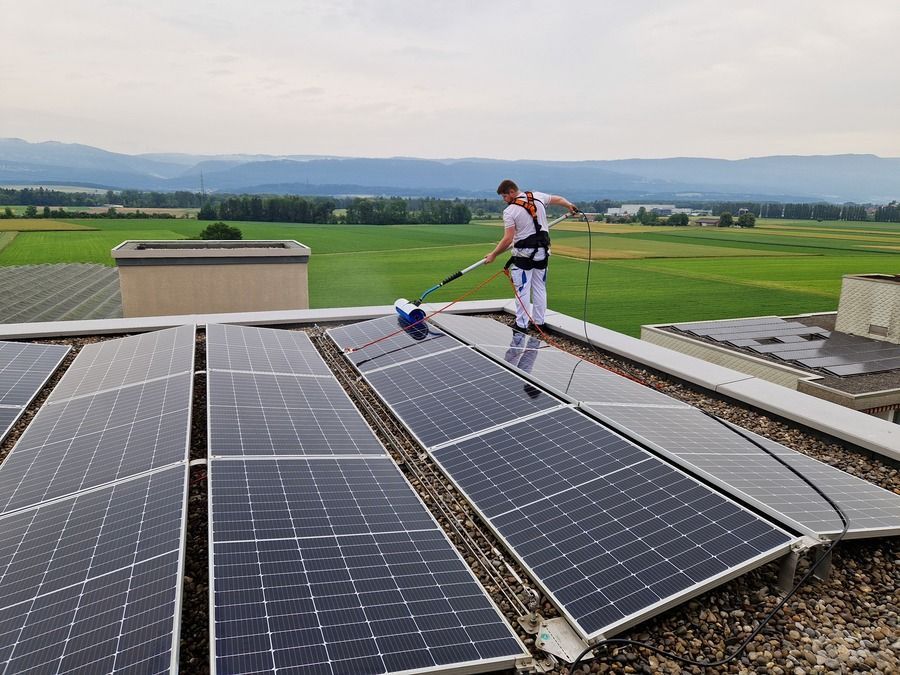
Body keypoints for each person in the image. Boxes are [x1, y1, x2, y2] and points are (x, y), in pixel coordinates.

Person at [484, 179, 577, 332]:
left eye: (505, 196)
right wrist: (569, 206)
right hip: (542, 252)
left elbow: (508, 239)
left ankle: (521, 325)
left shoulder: (510, 211)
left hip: (524, 255)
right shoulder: (537, 196)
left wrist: (493, 255)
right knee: (540, 288)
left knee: (523, 290)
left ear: (512, 192)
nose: (504, 200)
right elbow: (559, 199)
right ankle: (539, 323)